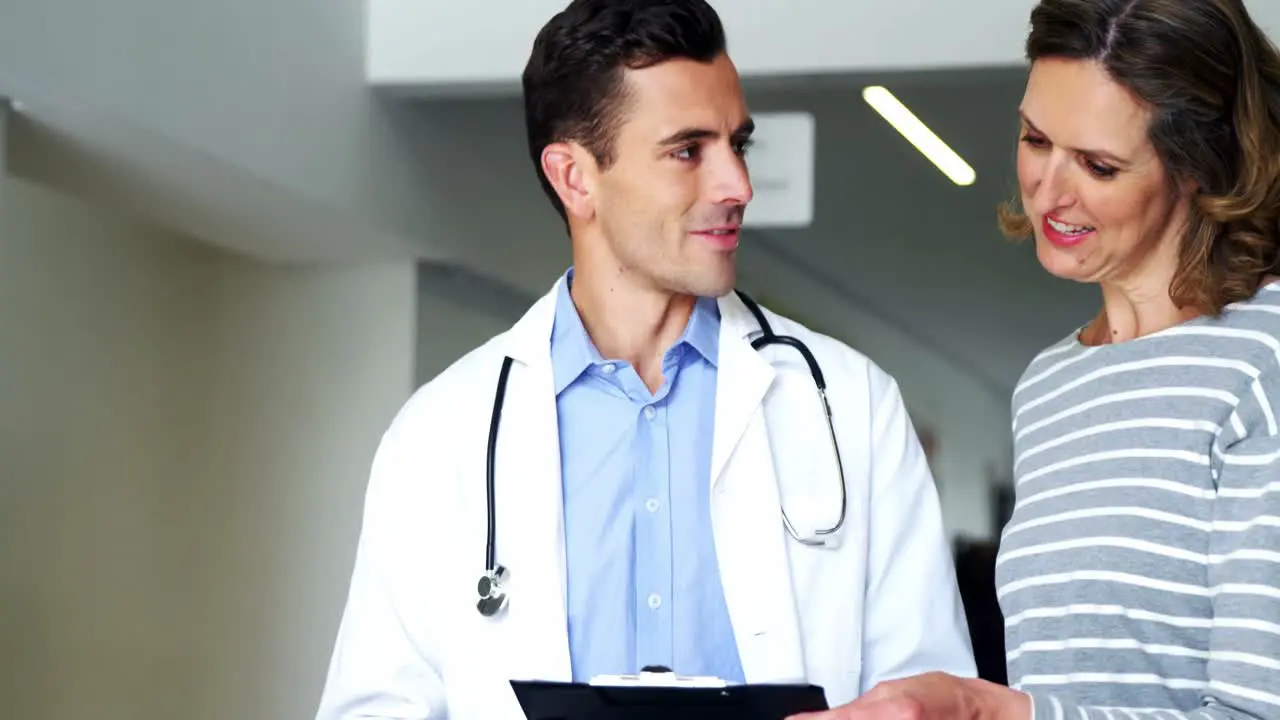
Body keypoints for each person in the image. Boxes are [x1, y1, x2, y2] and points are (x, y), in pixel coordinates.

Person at [313, 1, 975, 718]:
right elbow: (378, 706)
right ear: (575, 177)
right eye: (688, 150)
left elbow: (933, 696)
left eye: (738, 146)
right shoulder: (440, 435)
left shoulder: (850, 405)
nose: (737, 187)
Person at [790, 1, 1280, 719]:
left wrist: (986, 712)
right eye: (1035, 138)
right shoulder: (1052, 385)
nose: (1049, 190)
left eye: (1098, 165)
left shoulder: (1261, 365)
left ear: (1200, 170)